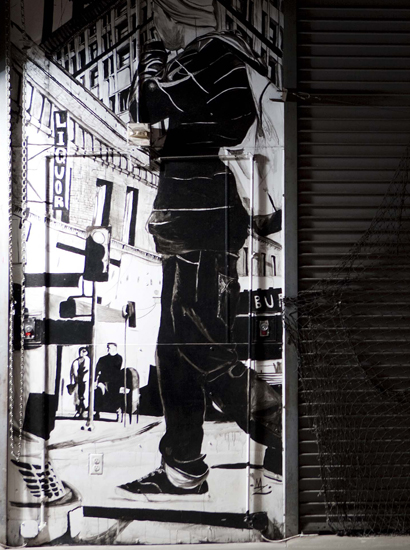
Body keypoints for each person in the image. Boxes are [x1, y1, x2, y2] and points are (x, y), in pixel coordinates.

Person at [115, 0, 282, 499]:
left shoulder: (209, 53)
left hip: (200, 221)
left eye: (159, 19)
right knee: (174, 349)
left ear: (177, 14)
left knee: (197, 340)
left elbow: (150, 100)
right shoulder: (211, 60)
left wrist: (150, 57)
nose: (157, 29)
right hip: (191, 218)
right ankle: (183, 466)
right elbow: (190, 123)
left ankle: (281, 430)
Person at [94, 343, 123, 420]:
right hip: (103, 381)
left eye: (109, 348)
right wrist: (95, 380)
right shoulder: (102, 359)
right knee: (98, 392)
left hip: (114, 382)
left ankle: (118, 412)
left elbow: (116, 369)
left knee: (115, 396)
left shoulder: (119, 358)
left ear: (114, 348)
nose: (107, 349)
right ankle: (97, 412)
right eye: (107, 348)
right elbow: (97, 369)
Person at [68, 347, 90, 418]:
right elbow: (72, 372)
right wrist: (72, 381)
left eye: (84, 351)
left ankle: (83, 411)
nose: (82, 353)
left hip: (85, 381)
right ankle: (79, 410)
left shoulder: (88, 361)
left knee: (84, 396)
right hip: (77, 381)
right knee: (78, 396)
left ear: (86, 352)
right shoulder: (76, 361)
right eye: (80, 351)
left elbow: (89, 370)